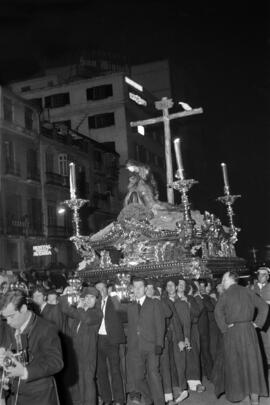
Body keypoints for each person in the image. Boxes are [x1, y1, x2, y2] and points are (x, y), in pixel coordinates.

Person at [0, 290, 63, 405]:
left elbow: (56, 363)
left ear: (23, 309)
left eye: (11, 316)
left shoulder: (46, 328)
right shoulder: (8, 326)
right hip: (13, 396)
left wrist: (25, 372)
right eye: (5, 318)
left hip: (39, 397)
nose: (8, 322)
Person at [214, 271, 269, 405]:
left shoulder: (225, 295)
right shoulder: (248, 291)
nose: (222, 282)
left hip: (233, 333)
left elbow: (217, 312)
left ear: (229, 280)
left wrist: (225, 328)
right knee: (252, 365)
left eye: (223, 279)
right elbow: (264, 307)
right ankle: (255, 400)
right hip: (249, 332)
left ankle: (243, 397)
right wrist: (257, 323)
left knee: (236, 366)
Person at [59, 286, 102, 405]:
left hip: (88, 353)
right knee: (77, 381)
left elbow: (87, 319)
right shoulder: (80, 311)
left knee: (88, 382)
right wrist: (64, 294)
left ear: (96, 300)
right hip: (75, 352)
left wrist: (80, 307)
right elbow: (65, 309)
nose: (88, 299)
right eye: (86, 297)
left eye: (92, 297)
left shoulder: (97, 313)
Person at [126, 277, 165, 405]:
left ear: (145, 288)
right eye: (135, 287)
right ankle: (149, 400)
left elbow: (160, 324)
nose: (137, 290)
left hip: (152, 346)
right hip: (135, 348)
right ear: (132, 289)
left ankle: (160, 402)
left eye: (140, 287)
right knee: (137, 378)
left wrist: (159, 343)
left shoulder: (154, 303)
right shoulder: (130, 306)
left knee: (154, 375)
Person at [95, 281, 126, 405]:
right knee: (101, 371)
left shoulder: (114, 300)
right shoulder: (95, 304)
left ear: (107, 289)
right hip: (98, 339)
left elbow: (123, 314)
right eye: (97, 290)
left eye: (102, 289)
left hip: (111, 339)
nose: (100, 292)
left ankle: (119, 400)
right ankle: (107, 399)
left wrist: (115, 297)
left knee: (115, 370)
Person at [253, 267, 270, 369]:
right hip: (256, 319)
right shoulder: (253, 288)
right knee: (260, 341)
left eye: (264, 274)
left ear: (268, 276)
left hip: (268, 319)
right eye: (259, 274)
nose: (261, 276)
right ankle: (263, 362)